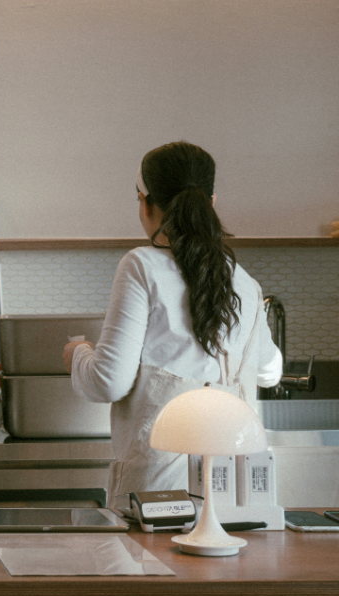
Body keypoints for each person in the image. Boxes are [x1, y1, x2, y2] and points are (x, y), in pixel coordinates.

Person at [63, 141, 281, 511]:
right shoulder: (243, 280)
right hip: (236, 494)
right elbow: (270, 371)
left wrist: (77, 353)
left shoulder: (141, 266)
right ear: (210, 202)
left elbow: (107, 381)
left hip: (161, 496)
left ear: (146, 203)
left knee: (157, 568)